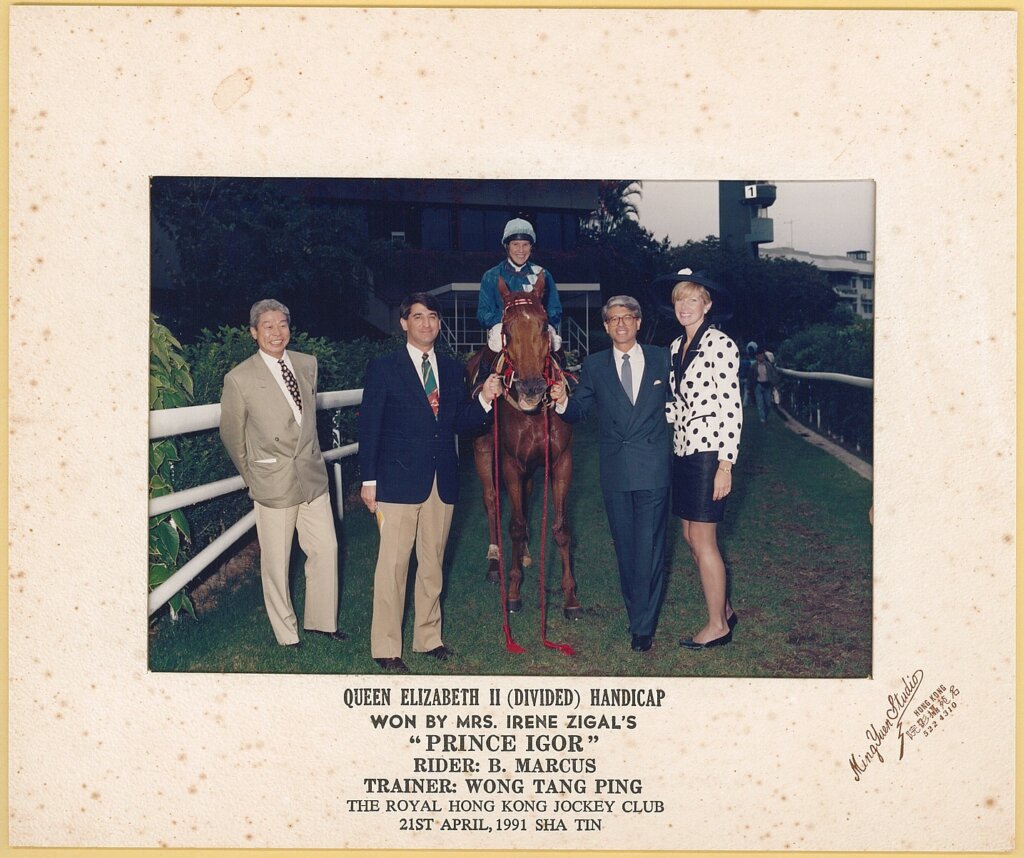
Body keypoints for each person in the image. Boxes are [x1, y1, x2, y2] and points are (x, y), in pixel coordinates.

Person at [359, 292, 503, 673]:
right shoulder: (384, 368)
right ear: (404, 323)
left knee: (432, 565)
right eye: (417, 316)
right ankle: (386, 647)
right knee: (392, 567)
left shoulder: (453, 370)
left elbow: (459, 422)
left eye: (432, 316)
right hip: (396, 483)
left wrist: (486, 399)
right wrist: (368, 480)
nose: (426, 323)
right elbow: (370, 426)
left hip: (443, 483)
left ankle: (428, 638)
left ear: (439, 323)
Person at [219, 299, 344, 648]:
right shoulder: (239, 378)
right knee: (276, 562)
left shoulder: (307, 364)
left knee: (327, 548)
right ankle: (287, 633)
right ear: (254, 333)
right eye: (268, 326)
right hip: (273, 481)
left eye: (282, 324)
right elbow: (232, 434)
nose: (277, 332)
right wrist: (253, 475)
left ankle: (322, 622)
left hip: (311, 476)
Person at [551, 296, 671, 653]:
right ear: (605, 327)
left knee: (649, 547)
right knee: (626, 547)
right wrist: (561, 400)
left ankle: (642, 626)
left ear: (638, 321)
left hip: (652, 468)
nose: (621, 324)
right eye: (613, 319)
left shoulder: (662, 358)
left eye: (627, 317)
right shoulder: (595, 365)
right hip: (616, 470)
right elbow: (580, 409)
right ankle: (638, 613)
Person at [664, 274, 743, 649]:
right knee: (688, 535)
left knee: (703, 538)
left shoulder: (720, 344)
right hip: (683, 449)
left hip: (710, 451)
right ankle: (724, 608)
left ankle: (717, 626)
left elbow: (731, 406)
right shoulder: (677, 345)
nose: (685, 307)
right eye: (680, 300)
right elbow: (675, 405)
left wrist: (725, 466)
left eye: (693, 300)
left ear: (707, 305)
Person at [477, 217, 563, 357]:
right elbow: (482, 313)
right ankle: (483, 377)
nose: (521, 250)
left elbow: (555, 309)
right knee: (496, 343)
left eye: (525, 245)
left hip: (536, 327)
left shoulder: (543, 274)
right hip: (504, 328)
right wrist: (510, 319)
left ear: (531, 247)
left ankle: (563, 377)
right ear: (507, 246)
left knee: (556, 342)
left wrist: (539, 320)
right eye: (516, 244)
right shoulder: (491, 276)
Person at [748, 347, 779, 423]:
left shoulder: (768, 365)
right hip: (758, 385)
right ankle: (762, 419)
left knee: (768, 403)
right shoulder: (753, 366)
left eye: (761, 355)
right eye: (759, 356)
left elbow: (772, 375)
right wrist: (749, 388)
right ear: (756, 356)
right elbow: (750, 377)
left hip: (767, 385)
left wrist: (774, 384)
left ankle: (765, 416)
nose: (760, 357)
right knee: (760, 403)